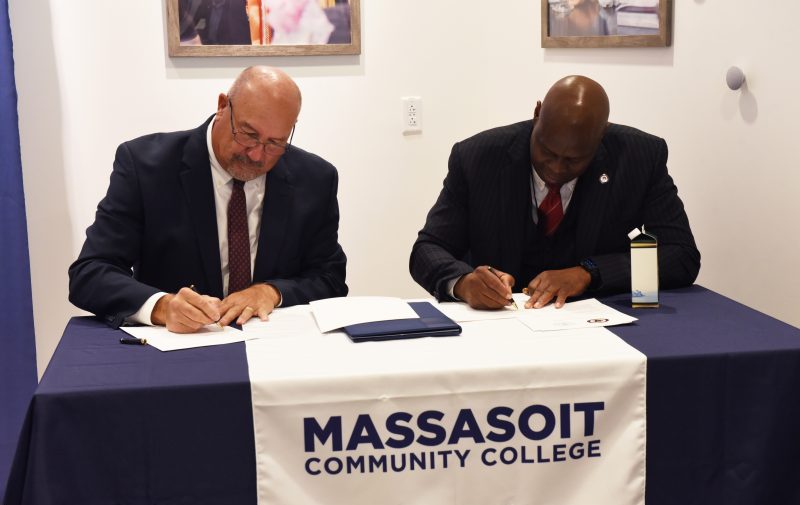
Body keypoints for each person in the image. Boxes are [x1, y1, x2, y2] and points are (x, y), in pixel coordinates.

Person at [69, 66, 347, 332]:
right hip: (175, 351)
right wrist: (162, 307)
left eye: (275, 143)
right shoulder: (146, 166)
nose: (257, 155)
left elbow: (330, 278)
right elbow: (91, 273)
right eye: (248, 134)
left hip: (273, 348)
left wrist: (272, 292)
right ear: (223, 105)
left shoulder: (315, 179)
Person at [410, 75, 699, 310]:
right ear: (536, 115)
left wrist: (589, 272)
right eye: (546, 151)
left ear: (601, 137)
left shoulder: (641, 158)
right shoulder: (478, 158)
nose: (557, 168)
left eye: (575, 159)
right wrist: (462, 282)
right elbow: (426, 250)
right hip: (501, 327)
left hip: (598, 329)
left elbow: (681, 256)